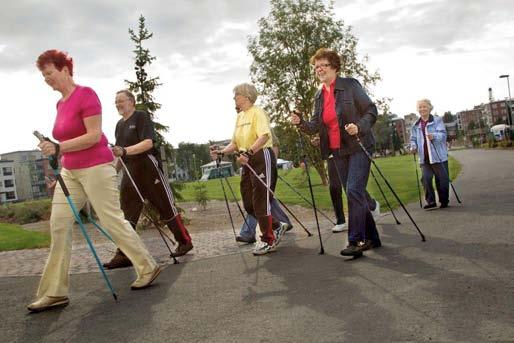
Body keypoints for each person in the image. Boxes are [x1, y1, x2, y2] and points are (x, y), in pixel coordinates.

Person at [28, 50, 160, 312]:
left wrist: (58, 147)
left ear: (65, 69)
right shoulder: (60, 104)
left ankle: (148, 266)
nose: (46, 79)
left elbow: (93, 135)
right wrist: (54, 150)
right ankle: (55, 292)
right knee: (58, 225)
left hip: (97, 167)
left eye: (49, 74)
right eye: (43, 76)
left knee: (111, 220)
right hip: (71, 172)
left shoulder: (86, 95)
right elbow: (63, 145)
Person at [291, 48, 381, 257]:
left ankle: (356, 239)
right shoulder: (319, 95)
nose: (319, 69)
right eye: (316, 67)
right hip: (336, 150)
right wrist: (301, 123)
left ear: (334, 66)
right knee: (353, 192)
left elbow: (371, 110)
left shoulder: (350, 85)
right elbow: (315, 125)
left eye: (323, 65)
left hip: (359, 145)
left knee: (353, 191)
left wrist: (359, 126)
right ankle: (372, 238)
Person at [102, 90, 193, 269]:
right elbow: (119, 153)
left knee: (165, 206)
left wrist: (125, 151)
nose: (118, 104)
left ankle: (184, 241)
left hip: (147, 167)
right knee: (127, 212)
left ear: (131, 101)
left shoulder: (140, 117)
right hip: (130, 170)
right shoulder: (119, 125)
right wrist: (112, 171)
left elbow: (148, 143)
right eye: (115, 102)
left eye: (121, 101)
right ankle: (124, 254)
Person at [210, 83, 289, 255]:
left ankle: (268, 240)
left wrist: (249, 151)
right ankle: (277, 226)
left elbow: (264, 135)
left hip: (261, 156)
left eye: (236, 95)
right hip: (247, 161)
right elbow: (235, 143)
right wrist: (222, 152)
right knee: (248, 203)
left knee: (261, 200)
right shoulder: (240, 117)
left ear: (246, 96)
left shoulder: (257, 112)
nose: (234, 98)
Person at [311, 136, 380, 233]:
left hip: (345, 150)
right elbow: (314, 128)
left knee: (351, 186)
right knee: (334, 187)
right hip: (331, 154)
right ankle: (340, 221)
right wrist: (317, 140)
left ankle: (372, 205)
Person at [237, 124, 292, 243]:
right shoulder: (243, 127)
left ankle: (248, 232)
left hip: (265, 164)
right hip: (253, 166)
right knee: (263, 201)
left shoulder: (261, 122)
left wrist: (272, 165)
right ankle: (283, 223)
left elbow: (274, 144)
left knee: (260, 201)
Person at [410, 99, 449, 210]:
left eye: (424, 106)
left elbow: (443, 134)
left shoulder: (437, 120)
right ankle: (431, 201)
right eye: (420, 107)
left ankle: (444, 200)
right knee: (426, 179)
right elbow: (413, 139)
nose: (422, 109)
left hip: (438, 156)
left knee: (442, 180)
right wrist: (413, 146)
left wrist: (434, 136)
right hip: (424, 158)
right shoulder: (415, 125)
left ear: (430, 107)